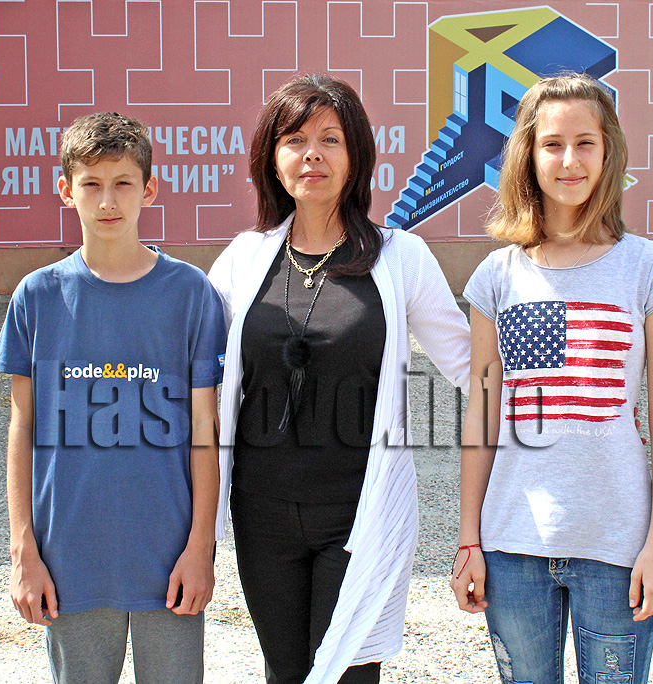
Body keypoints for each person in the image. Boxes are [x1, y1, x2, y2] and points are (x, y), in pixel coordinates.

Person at [207, 73, 472, 684]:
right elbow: (195, 368)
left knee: (349, 672)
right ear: (272, 158)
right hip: (261, 510)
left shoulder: (399, 256)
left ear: (356, 158)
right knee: (285, 671)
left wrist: (571, 400)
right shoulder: (244, 258)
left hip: (358, 513)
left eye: (331, 139)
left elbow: (471, 366)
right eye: (295, 140)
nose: (313, 155)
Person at [451, 74, 653, 684]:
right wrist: (469, 539)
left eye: (585, 143)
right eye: (552, 144)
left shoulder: (648, 269)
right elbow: (482, 415)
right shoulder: (496, 277)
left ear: (608, 151)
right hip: (512, 548)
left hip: (618, 547)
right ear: (528, 156)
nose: (569, 161)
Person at [0, 112, 227, 684]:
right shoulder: (38, 295)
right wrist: (23, 550)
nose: (107, 200)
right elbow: (22, 428)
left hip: (167, 556)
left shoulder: (190, 293)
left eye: (122, 183)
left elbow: (205, 429)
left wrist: (202, 546)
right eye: (91, 184)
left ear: (150, 189)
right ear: (65, 190)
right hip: (69, 555)